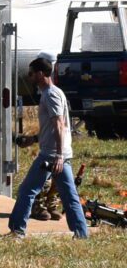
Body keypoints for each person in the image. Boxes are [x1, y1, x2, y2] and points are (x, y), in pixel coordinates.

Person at [10, 54, 90, 239]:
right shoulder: (55, 93)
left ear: (40, 74)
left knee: (27, 191)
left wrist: (59, 156)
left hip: (52, 156)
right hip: (58, 154)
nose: (29, 77)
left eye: (30, 74)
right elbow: (52, 128)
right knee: (69, 196)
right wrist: (35, 139)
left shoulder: (50, 94)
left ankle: (17, 231)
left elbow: (59, 125)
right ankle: (81, 234)